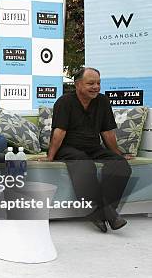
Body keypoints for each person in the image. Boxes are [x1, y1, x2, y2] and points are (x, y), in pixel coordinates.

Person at [41, 67, 132, 232]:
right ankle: (106, 213)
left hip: (93, 147)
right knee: (85, 164)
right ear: (77, 85)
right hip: (67, 148)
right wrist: (50, 156)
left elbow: (107, 132)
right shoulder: (64, 102)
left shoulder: (103, 101)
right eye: (91, 83)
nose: (96, 87)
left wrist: (118, 154)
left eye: (98, 83)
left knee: (121, 165)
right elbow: (59, 132)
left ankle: (101, 212)